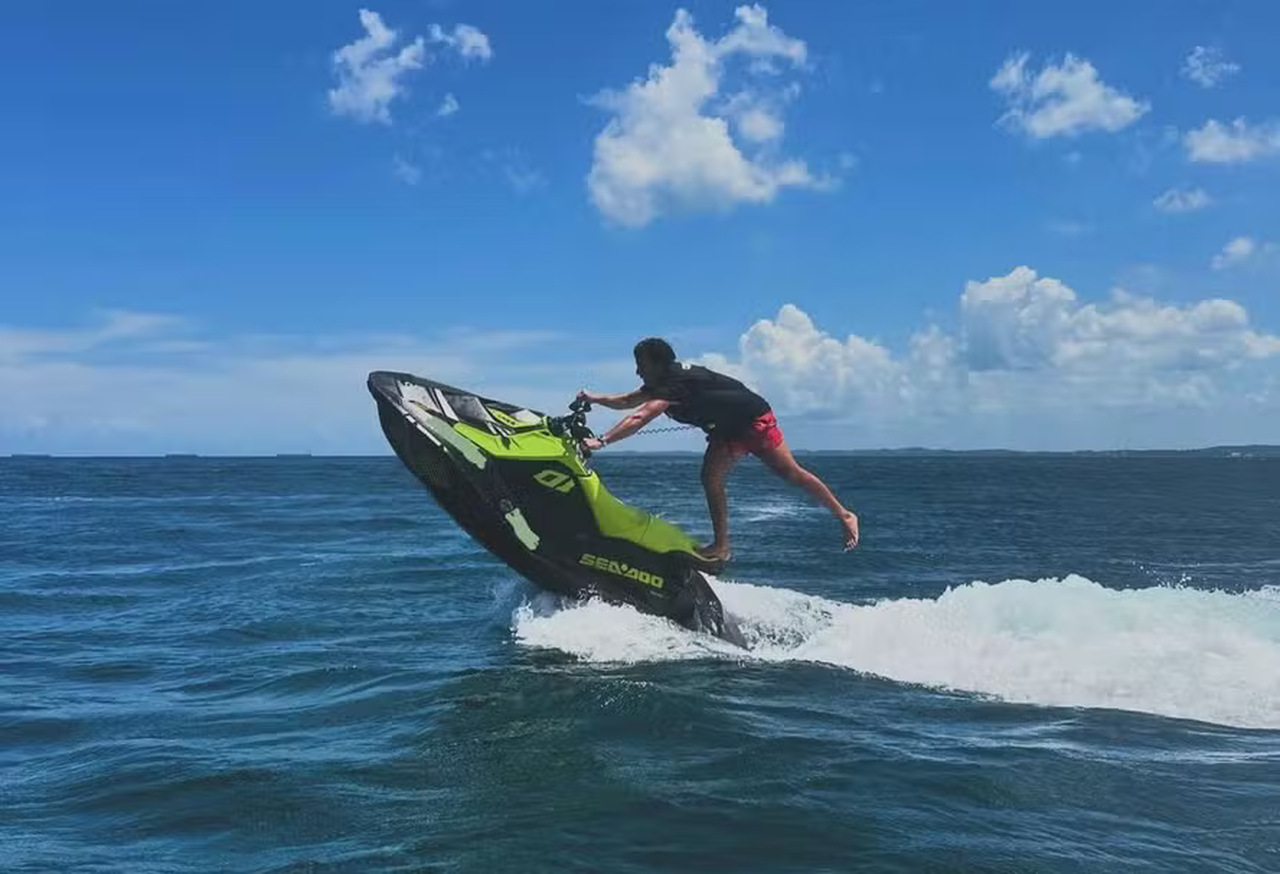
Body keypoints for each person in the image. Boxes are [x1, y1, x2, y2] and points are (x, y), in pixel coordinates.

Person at [577, 337, 859, 563]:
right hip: (726, 430)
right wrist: (594, 397)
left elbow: (639, 416)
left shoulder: (675, 383)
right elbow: (628, 400)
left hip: (753, 421)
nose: (638, 371)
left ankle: (844, 515)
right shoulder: (660, 382)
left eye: (642, 365)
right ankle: (722, 547)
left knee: (790, 473)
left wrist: (601, 441)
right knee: (710, 478)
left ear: (659, 364)